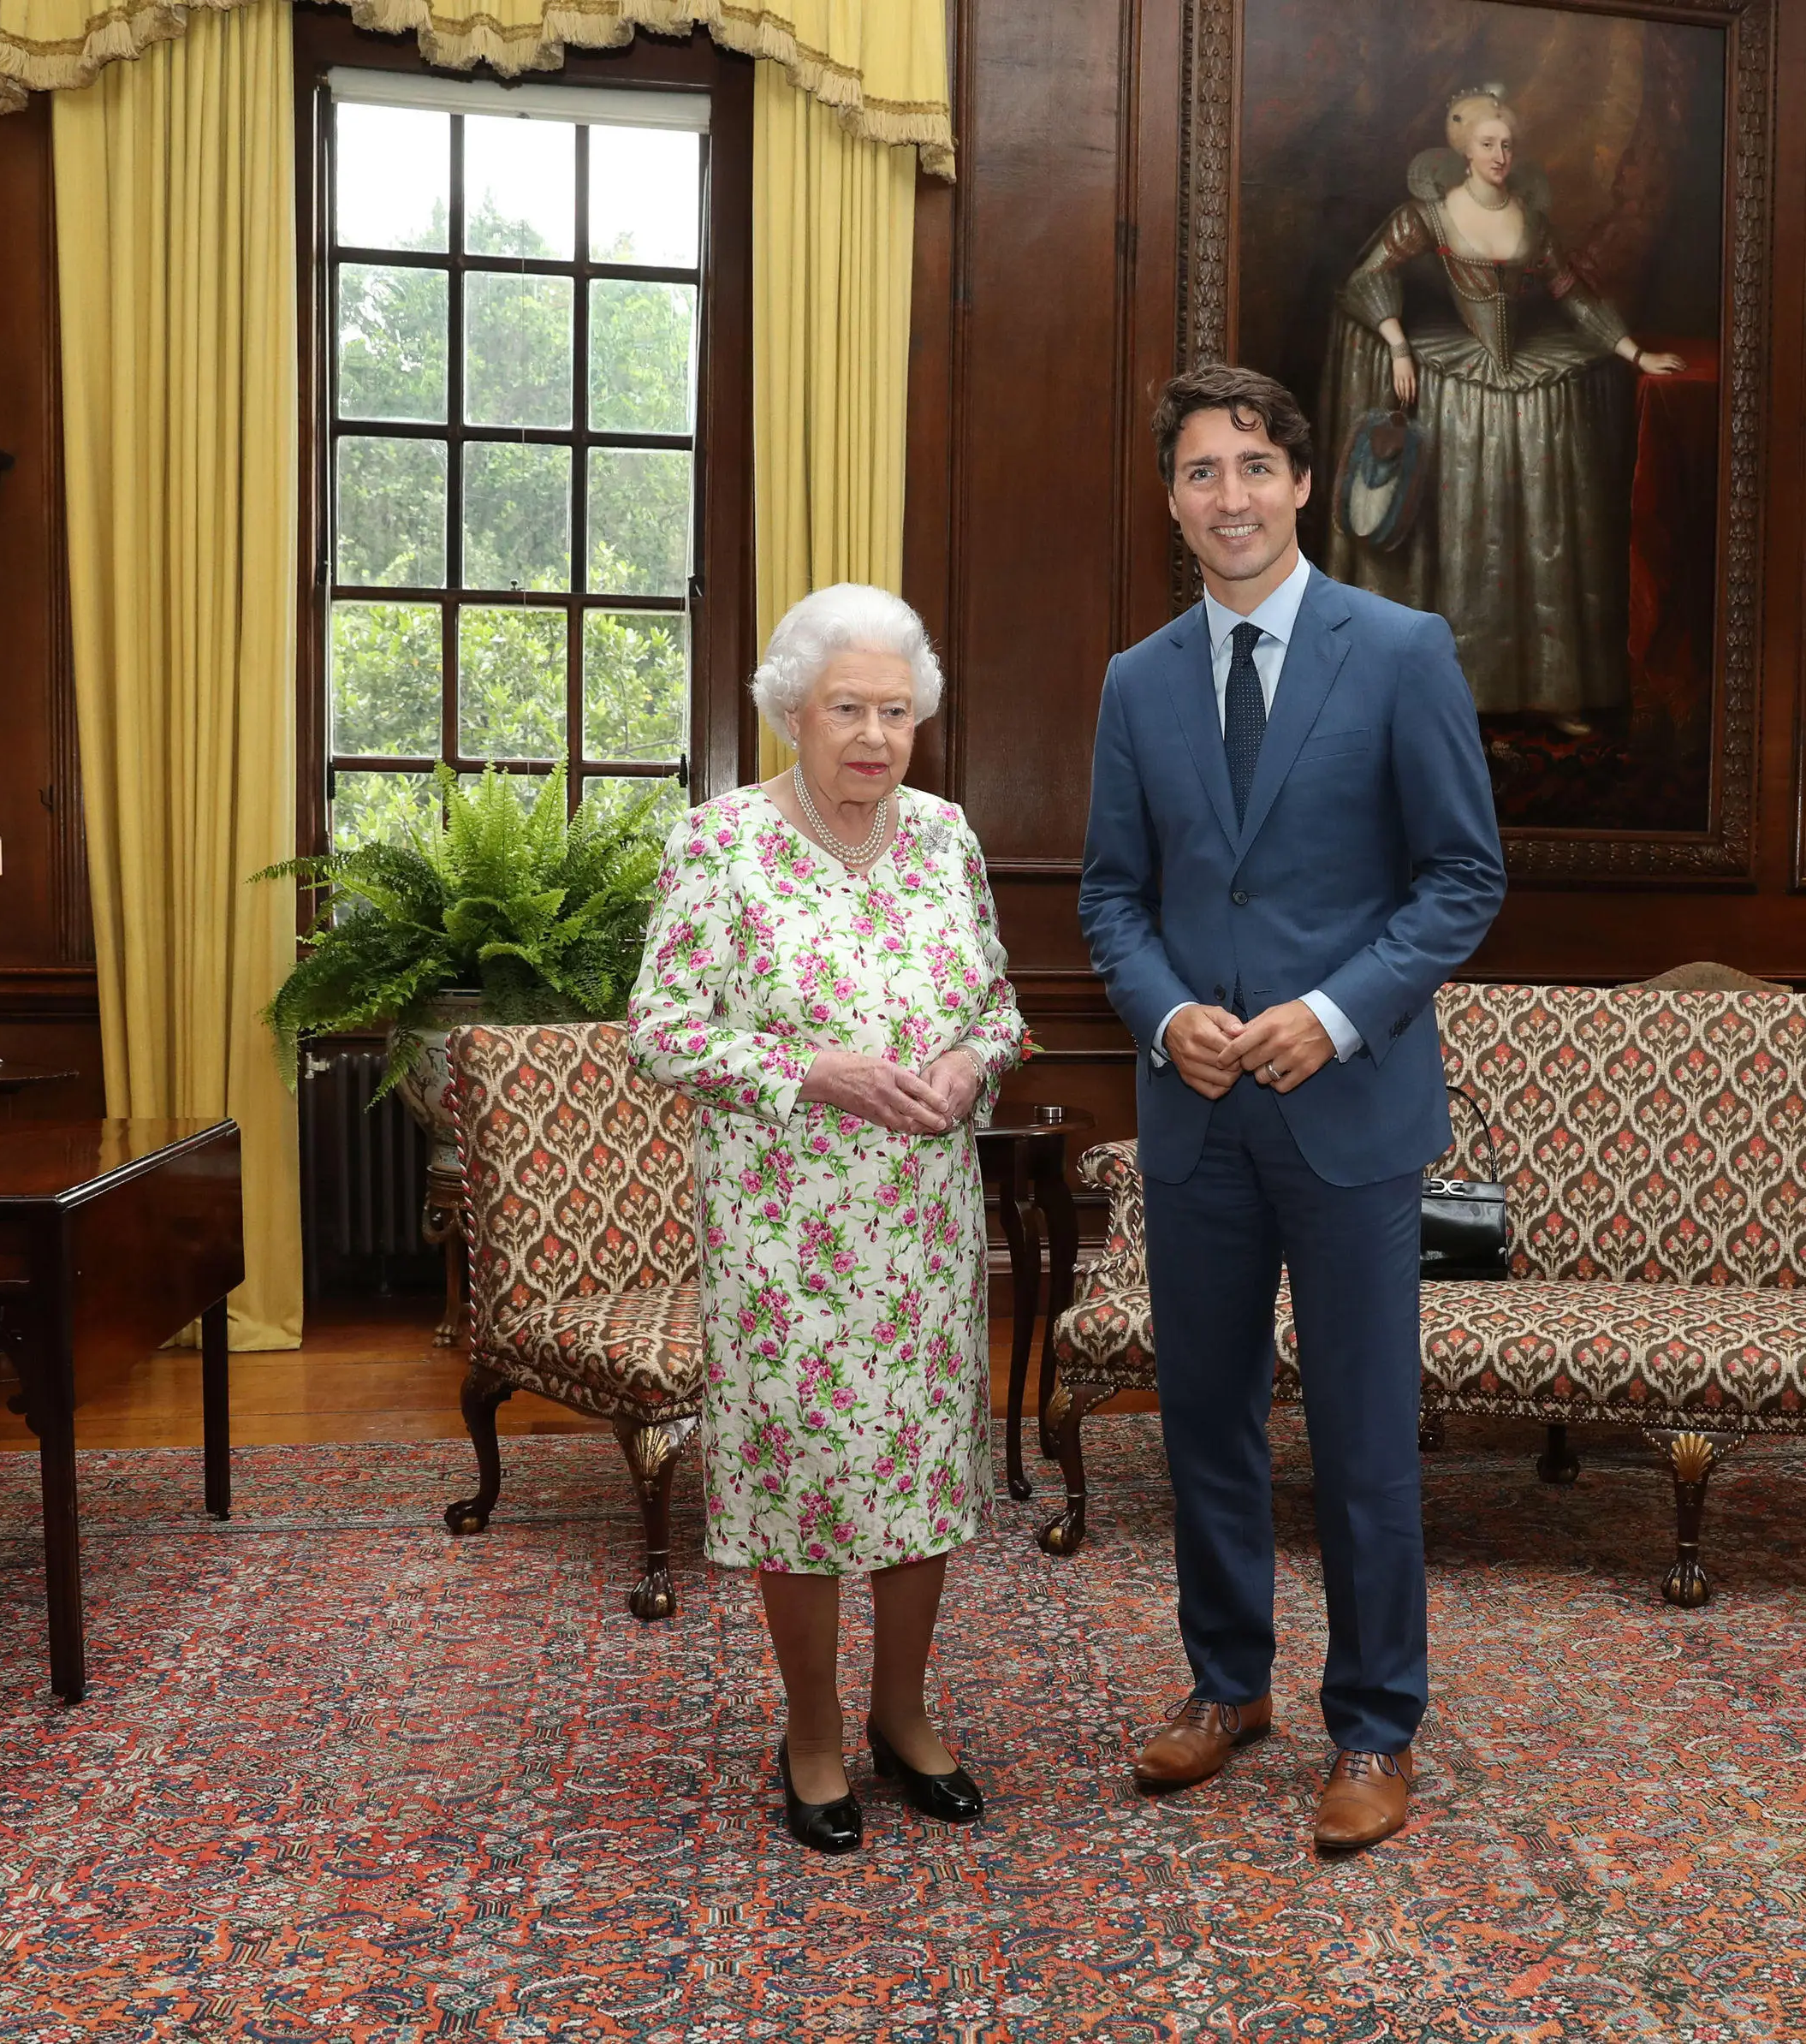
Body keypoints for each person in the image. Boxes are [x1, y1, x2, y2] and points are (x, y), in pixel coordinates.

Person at [1078, 364, 1508, 1853]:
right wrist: (1164, 1011)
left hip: (1351, 1113)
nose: (1232, 495)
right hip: (1194, 1117)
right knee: (1202, 1417)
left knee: (1366, 1430)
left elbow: (1464, 877)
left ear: (1306, 482)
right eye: (1202, 471)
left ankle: (1376, 1725)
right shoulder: (1137, 681)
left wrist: (1330, 1015)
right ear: (1171, 501)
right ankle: (1225, 1685)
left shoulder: (1399, 651)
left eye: (1256, 464)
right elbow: (1114, 898)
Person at [628, 583, 1025, 1856]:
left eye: (896, 713)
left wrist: (973, 1065)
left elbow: (1000, 1006)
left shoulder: (950, 835)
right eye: (849, 708)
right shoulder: (720, 843)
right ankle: (810, 1730)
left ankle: (904, 1714)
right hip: (782, 1234)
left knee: (918, 1476)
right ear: (791, 710)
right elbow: (665, 1029)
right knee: (798, 1479)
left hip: (923, 1233)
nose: (873, 735)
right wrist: (816, 1070)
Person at [1322, 83, 1688, 735]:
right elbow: (1368, 276)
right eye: (1489, 144)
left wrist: (1634, 354)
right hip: (1458, 392)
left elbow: (1573, 293)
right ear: (1464, 151)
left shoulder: (1531, 221)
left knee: (1535, 532)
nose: (1500, 155)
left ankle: (1553, 690)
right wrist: (1398, 343)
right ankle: (1439, 695)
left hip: (1524, 383)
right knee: (1461, 534)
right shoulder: (1429, 215)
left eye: (1508, 145)